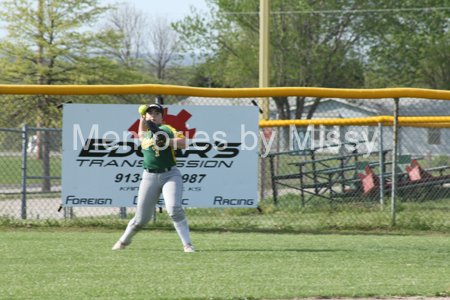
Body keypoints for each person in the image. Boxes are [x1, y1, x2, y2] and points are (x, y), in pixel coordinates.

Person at [112, 103, 195, 252]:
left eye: (157, 113)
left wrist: (167, 141)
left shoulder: (166, 129)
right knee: (140, 220)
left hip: (170, 175)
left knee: (174, 209)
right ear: (145, 116)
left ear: (162, 117)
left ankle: (187, 245)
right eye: (150, 113)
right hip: (149, 176)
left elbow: (185, 143)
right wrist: (141, 118)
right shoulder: (146, 135)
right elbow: (141, 133)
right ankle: (123, 241)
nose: (154, 115)